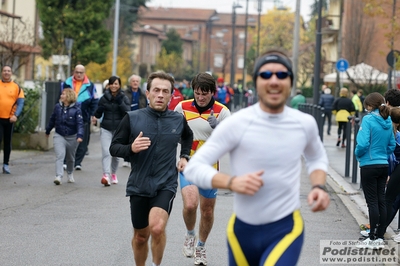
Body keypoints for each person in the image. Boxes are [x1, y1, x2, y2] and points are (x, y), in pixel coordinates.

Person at [184, 49, 330, 266]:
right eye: (266, 75)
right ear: (256, 82)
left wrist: (318, 186)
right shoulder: (237, 123)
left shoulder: (304, 123)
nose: (274, 81)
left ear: (290, 81)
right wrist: (231, 182)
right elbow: (194, 168)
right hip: (242, 232)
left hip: (286, 228)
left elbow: (316, 158)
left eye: (281, 75)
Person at [109, 71, 193, 266]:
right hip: (139, 184)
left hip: (165, 183)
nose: (160, 95)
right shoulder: (132, 118)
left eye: (165, 91)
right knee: (140, 236)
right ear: (148, 93)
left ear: (171, 96)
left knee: (156, 228)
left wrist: (184, 156)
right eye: (156, 90)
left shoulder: (178, 120)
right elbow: (114, 147)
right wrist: (131, 148)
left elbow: (187, 137)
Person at [174, 72, 231, 265]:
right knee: (190, 204)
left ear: (212, 92)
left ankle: (201, 247)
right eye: (197, 93)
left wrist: (219, 128)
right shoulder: (182, 107)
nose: (200, 97)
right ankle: (190, 234)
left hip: (209, 167)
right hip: (188, 162)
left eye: (204, 94)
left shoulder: (222, 111)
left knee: (207, 211)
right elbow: (171, 131)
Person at [355, 92, 395, 249]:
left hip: (368, 164)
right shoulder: (388, 119)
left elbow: (363, 144)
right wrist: (383, 156)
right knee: (381, 201)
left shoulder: (368, 119)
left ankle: (371, 239)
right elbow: (391, 145)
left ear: (370, 106)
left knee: (372, 202)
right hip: (383, 164)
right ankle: (379, 237)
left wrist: (358, 154)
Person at [93, 76, 130, 186]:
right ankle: (106, 175)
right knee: (106, 152)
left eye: (116, 84)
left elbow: (128, 111)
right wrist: (99, 111)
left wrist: (120, 102)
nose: (114, 86)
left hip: (119, 129)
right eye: (112, 84)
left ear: (119, 85)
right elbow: (97, 114)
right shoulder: (104, 98)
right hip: (106, 128)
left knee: (116, 154)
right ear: (108, 85)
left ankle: (113, 173)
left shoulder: (123, 97)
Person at [63, 64, 98, 171]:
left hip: (84, 116)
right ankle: (66, 161)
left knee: (82, 140)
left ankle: (78, 162)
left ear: (84, 73)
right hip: (68, 116)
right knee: (67, 139)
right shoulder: (66, 83)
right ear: (74, 72)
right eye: (77, 72)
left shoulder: (90, 86)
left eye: (81, 72)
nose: (78, 74)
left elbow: (95, 101)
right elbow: (59, 98)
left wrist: (94, 114)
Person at [46, 88, 84, 185]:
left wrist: (80, 135)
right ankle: (58, 176)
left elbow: (80, 123)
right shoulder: (57, 107)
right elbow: (52, 119)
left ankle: (70, 173)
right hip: (59, 135)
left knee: (70, 158)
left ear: (69, 96)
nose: (61, 96)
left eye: (63, 94)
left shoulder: (77, 109)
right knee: (60, 155)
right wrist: (48, 130)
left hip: (72, 137)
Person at [0, 66, 25, 174]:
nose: (6, 72)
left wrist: (16, 115)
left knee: (7, 142)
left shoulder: (16, 87)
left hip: (10, 119)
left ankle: (6, 164)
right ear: (2, 72)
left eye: (8, 71)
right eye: (4, 71)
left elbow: (20, 103)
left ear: (11, 73)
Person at [122, 74, 147, 168]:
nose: (135, 83)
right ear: (130, 83)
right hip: (128, 118)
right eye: (133, 81)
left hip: (139, 118)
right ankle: (126, 159)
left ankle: (134, 158)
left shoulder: (143, 94)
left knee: (136, 137)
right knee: (127, 138)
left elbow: (146, 106)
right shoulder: (125, 93)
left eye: (137, 81)